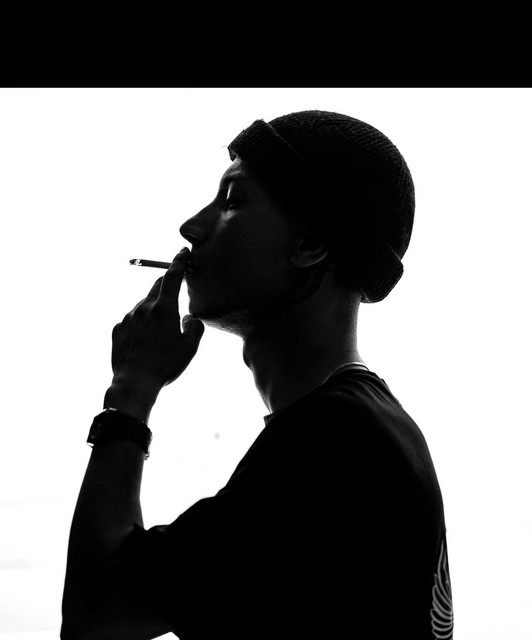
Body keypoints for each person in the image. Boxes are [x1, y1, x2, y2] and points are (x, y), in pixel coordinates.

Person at [61, 110, 453, 639]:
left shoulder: (334, 442)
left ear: (309, 245)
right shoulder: (371, 430)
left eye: (232, 200)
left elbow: (97, 614)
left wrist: (130, 391)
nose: (191, 227)